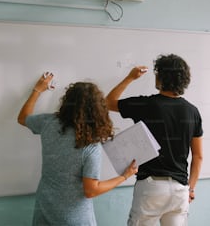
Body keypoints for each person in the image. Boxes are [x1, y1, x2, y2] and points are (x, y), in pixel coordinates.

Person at [17, 72, 138, 226]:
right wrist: (125, 176)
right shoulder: (89, 146)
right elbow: (91, 191)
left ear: (67, 102)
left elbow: (22, 117)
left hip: (44, 211)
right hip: (74, 219)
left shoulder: (48, 123)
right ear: (97, 111)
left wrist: (37, 90)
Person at [106, 54, 203, 226]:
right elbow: (198, 156)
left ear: (161, 77)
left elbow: (108, 102)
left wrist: (129, 78)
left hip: (151, 188)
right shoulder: (192, 111)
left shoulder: (147, 105)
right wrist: (191, 188)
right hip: (180, 190)